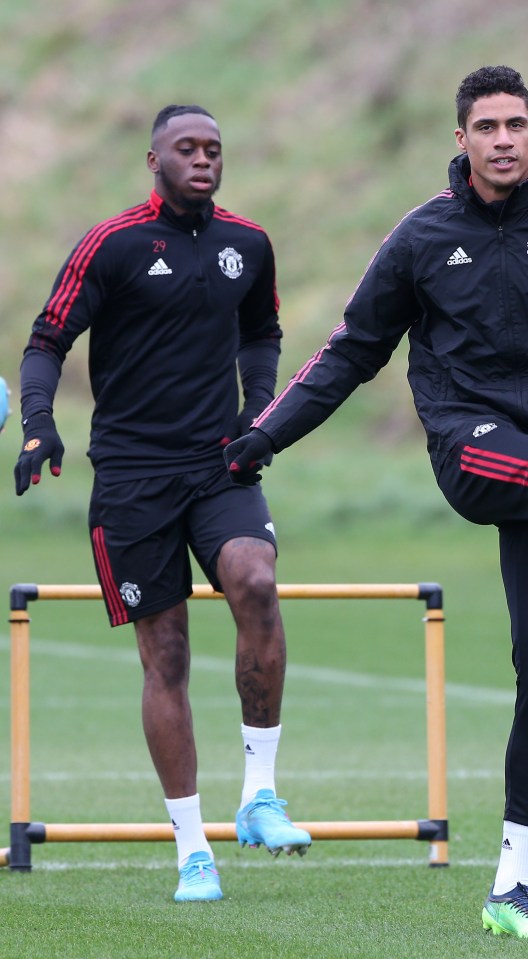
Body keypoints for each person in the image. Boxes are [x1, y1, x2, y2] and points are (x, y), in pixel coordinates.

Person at [225, 65, 528, 937]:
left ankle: (510, 888)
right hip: (472, 450)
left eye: (517, 123)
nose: (506, 139)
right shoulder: (422, 238)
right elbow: (349, 351)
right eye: (488, 126)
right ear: (462, 140)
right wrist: (266, 434)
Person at [14, 104, 311, 902]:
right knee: (168, 657)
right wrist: (39, 428)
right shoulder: (110, 245)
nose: (204, 159)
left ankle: (260, 796)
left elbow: (263, 331)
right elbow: (47, 342)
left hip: (219, 466)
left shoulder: (246, 244)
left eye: (215, 148)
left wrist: (260, 408)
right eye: (188, 148)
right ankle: (192, 848)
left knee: (255, 581)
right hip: (132, 480)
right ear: (155, 159)